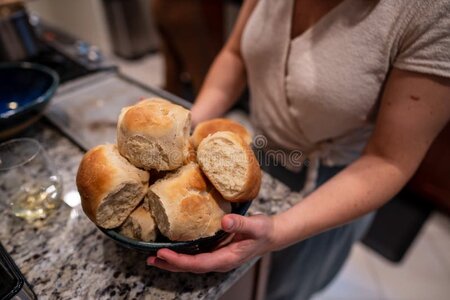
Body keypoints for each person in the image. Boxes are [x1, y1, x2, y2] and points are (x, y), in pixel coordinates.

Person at [147, 0, 450, 299]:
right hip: (261, 153)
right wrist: (188, 127)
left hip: (336, 187)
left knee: (280, 287)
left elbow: (389, 160)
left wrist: (278, 230)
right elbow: (236, 54)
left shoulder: (430, 12)